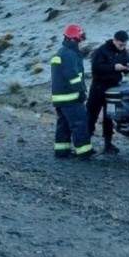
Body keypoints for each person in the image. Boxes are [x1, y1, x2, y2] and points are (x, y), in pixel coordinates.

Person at [50, 24, 93, 159]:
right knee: (79, 124)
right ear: (75, 39)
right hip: (71, 98)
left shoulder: (61, 52)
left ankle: (61, 151)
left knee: (63, 125)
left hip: (59, 99)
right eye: (80, 39)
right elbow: (73, 76)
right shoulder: (70, 54)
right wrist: (81, 92)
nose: (81, 42)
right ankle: (84, 152)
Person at [87, 30, 129, 154]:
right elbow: (96, 68)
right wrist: (113, 67)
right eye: (121, 44)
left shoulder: (124, 52)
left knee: (109, 116)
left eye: (124, 45)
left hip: (113, 89)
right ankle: (85, 144)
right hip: (98, 87)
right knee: (91, 115)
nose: (122, 47)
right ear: (115, 40)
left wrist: (128, 69)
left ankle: (108, 144)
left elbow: (125, 67)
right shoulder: (101, 51)